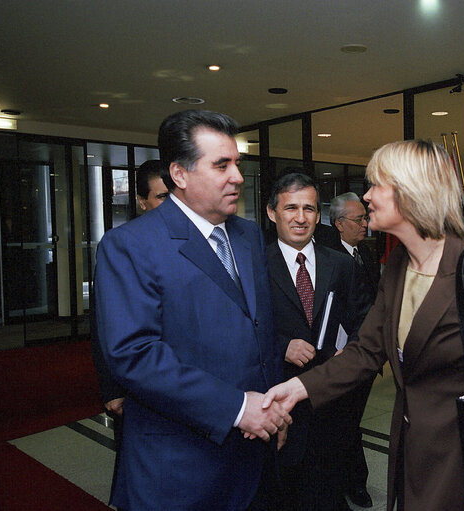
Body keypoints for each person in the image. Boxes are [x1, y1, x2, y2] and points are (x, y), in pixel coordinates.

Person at [263, 139, 464, 511]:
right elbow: (366, 351)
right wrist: (297, 388)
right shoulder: (396, 266)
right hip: (409, 456)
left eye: (377, 186)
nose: (368, 196)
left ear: (411, 194)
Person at [94, 110, 291, 511]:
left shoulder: (249, 235)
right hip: (181, 467)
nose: (237, 176)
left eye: (237, 163)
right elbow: (134, 355)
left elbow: (260, 330)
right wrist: (238, 409)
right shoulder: (130, 245)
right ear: (179, 175)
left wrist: (272, 409)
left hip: (257, 455)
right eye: (222, 165)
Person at [265, 172, 364, 511]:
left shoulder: (341, 265)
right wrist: (282, 346)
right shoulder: (254, 266)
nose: (300, 217)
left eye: (308, 208)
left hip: (330, 402)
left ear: (319, 216)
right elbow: (239, 328)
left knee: (326, 491)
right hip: (278, 403)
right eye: (290, 207)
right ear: (272, 213)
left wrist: (350, 349)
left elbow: (363, 317)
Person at [88, 159, 168, 503]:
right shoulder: (121, 246)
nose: (172, 204)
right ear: (142, 201)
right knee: (137, 471)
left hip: (176, 380)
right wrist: (111, 388)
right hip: (134, 386)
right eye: (163, 196)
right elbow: (102, 325)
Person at [328, 191, 382, 508]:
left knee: (351, 419)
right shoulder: (329, 258)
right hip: (341, 353)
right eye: (358, 219)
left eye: (365, 217)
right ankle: (348, 483)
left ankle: (353, 480)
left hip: (367, 352)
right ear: (339, 224)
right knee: (344, 422)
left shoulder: (367, 253)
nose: (365, 224)